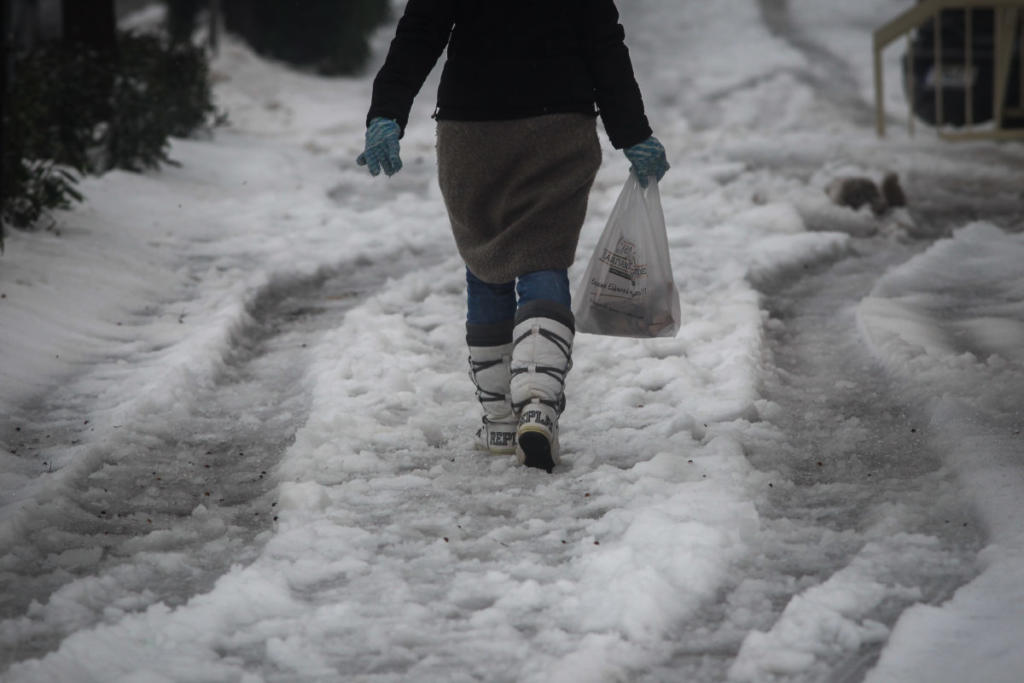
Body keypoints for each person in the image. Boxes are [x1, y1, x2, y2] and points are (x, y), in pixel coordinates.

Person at [357, 0, 669, 473]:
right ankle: (539, 402)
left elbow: (420, 30)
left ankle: (500, 418)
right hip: (558, 125)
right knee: (544, 255)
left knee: (486, 261)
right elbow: (604, 44)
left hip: (471, 128)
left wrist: (387, 112)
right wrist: (633, 133)